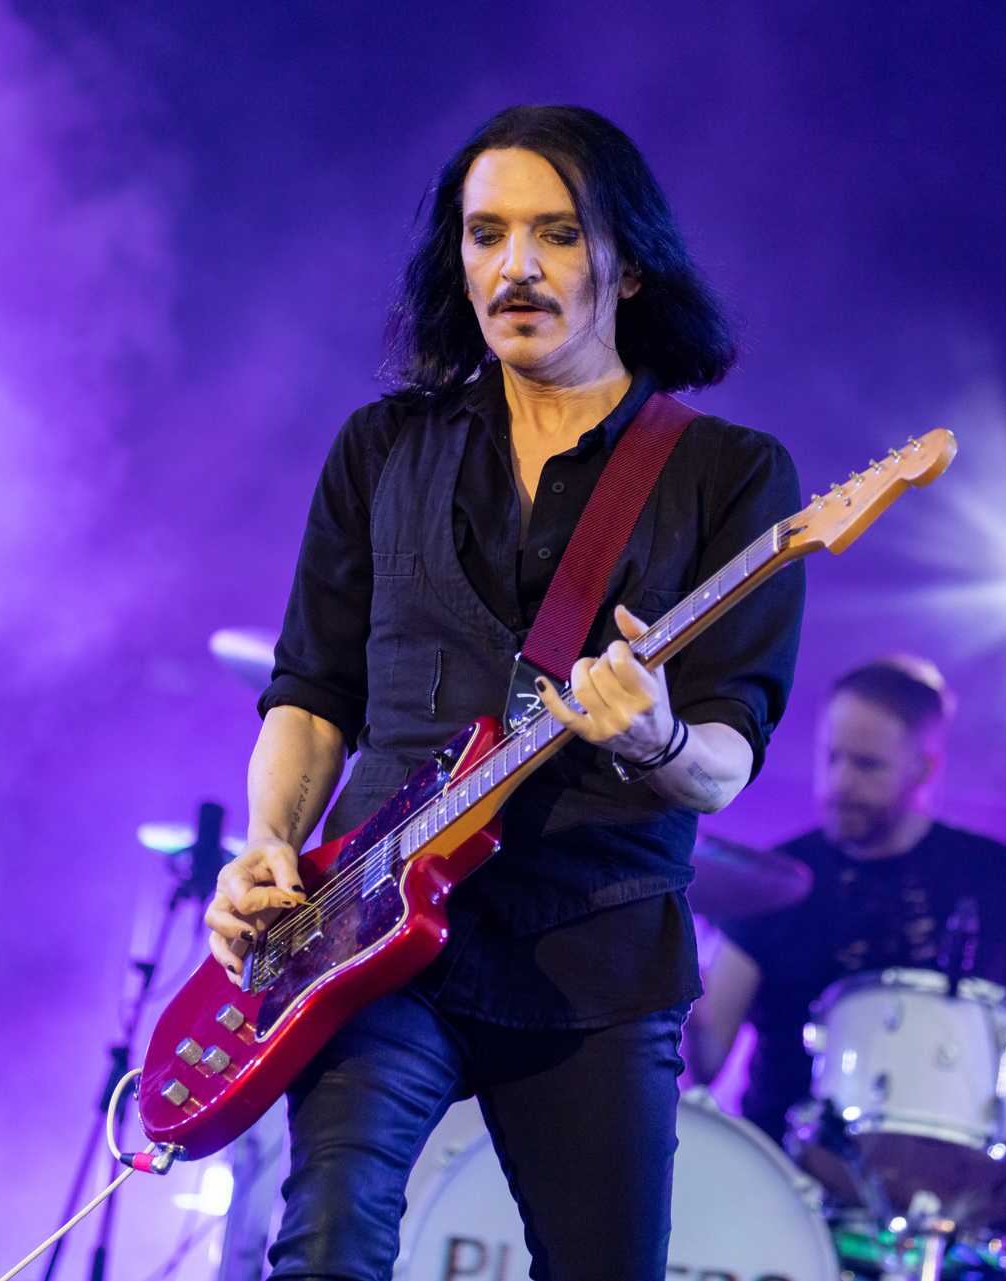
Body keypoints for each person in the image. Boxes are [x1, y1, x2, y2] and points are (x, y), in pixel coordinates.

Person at [204, 105, 806, 1281]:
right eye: (487, 234)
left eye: (557, 234)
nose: (516, 266)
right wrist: (270, 840)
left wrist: (656, 737)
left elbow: (728, 758)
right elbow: (312, 691)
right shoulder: (382, 448)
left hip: (597, 952)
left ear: (630, 265)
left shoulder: (730, 475)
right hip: (375, 928)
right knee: (324, 1245)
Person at [682, 657, 1006, 1265]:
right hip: (785, 1194)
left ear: (925, 768)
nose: (839, 783)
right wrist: (682, 985)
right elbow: (707, 1063)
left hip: (956, 1211)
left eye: (867, 765)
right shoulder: (769, 882)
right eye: (831, 758)